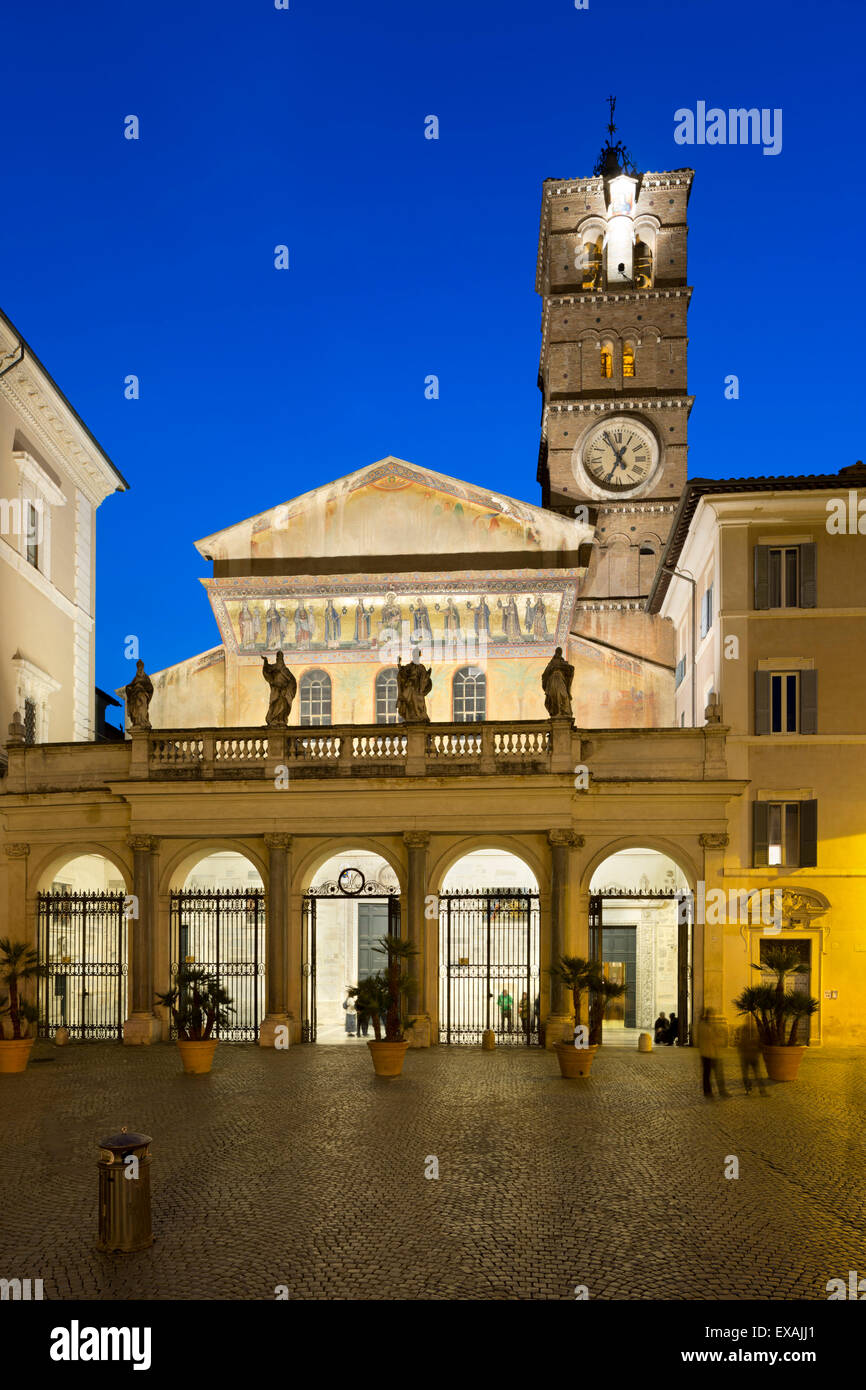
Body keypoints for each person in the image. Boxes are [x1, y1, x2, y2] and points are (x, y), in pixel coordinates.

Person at [696, 1008, 729, 1099]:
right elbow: (710, 1038)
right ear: (707, 1015)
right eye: (711, 1014)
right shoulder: (703, 1026)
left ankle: (722, 1091)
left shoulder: (711, 1025)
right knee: (707, 1074)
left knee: (718, 1073)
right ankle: (708, 1092)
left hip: (715, 1053)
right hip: (707, 1054)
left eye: (713, 1015)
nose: (713, 1016)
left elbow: (721, 1036)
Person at [736, 1020, 768, 1096]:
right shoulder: (744, 1031)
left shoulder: (755, 1031)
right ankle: (750, 1089)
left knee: (756, 1074)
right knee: (748, 1075)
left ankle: (761, 1090)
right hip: (747, 1056)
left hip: (752, 1056)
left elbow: (759, 1042)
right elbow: (741, 1043)